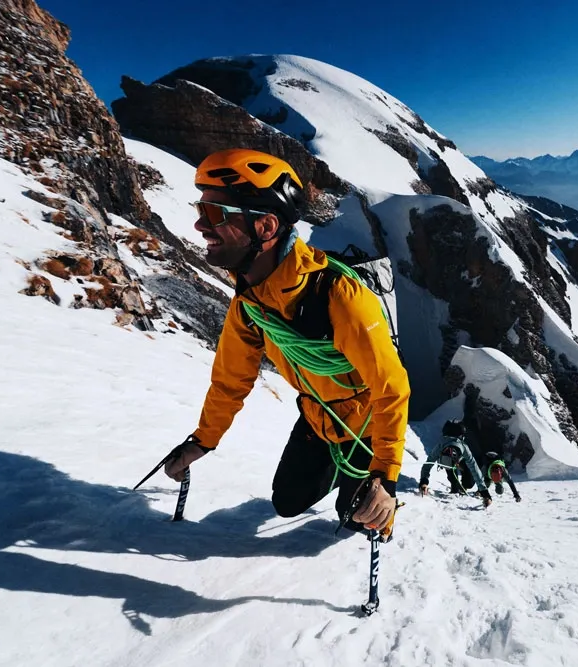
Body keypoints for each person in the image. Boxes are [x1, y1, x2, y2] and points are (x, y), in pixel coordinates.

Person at [162, 148, 410, 536]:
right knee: (287, 502)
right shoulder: (250, 304)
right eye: (201, 209)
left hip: (365, 425)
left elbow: (391, 388)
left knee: (360, 518)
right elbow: (230, 382)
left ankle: (356, 478)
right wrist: (202, 442)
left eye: (214, 213)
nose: (200, 225)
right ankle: (340, 472)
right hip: (317, 416)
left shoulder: (339, 296)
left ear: (265, 226)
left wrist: (385, 477)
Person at [419, 420, 492, 508]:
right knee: (458, 483)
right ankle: (457, 486)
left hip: (453, 461)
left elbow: (428, 464)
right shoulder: (460, 447)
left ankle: (461, 486)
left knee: (467, 483)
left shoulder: (443, 446)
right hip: (451, 461)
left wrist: (423, 482)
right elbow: (475, 469)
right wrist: (485, 494)